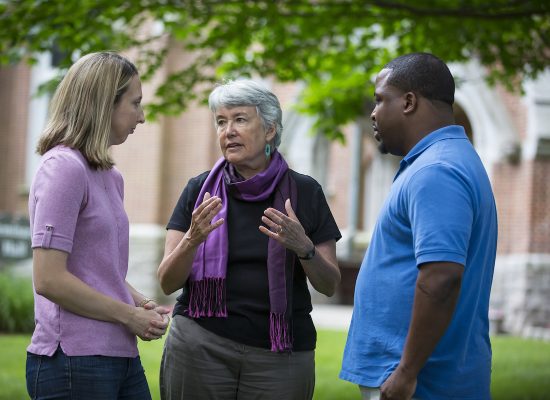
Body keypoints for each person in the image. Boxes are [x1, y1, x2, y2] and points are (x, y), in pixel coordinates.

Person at [158, 79, 342, 400]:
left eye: (240, 119)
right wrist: (192, 239)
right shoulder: (199, 191)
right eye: (220, 121)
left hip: (280, 354)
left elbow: (329, 284)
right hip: (201, 345)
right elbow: (167, 282)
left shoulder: (305, 192)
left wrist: (304, 248)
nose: (228, 130)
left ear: (270, 130)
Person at [340, 53, 498, 400]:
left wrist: (407, 372)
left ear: (409, 102)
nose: (373, 113)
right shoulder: (441, 160)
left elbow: (441, 277)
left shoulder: (436, 170)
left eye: (381, 99)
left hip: (419, 383)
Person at [26, 51, 170, 400]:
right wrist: (128, 316)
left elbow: (97, 268)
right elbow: (49, 278)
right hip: (73, 361)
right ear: (105, 103)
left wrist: (139, 302)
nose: (143, 117)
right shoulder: (63, 168)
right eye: (135, 104)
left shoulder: (110, 176)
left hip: (118, 354)